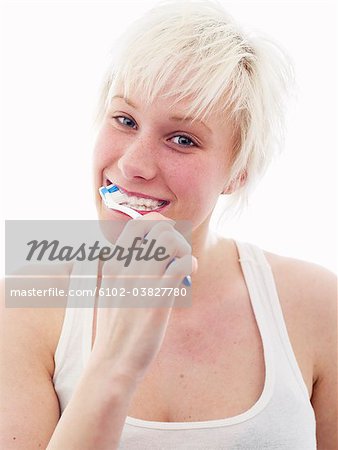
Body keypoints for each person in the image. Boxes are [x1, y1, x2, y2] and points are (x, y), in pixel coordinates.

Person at [1, 0, 337, 449]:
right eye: (125, 119)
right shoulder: (25, 306)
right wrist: (116, 362)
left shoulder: (318, 304)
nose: (133, 164)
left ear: (237, 173)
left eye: (183, 139)